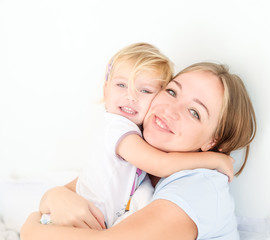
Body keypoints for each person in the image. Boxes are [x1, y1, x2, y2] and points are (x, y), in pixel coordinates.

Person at [21, 62, 256, 240]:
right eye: (172, 92)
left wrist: (30, 228)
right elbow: (71, 191)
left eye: (194, 112)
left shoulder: (199, 187)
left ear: (213, 143)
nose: (170, 109)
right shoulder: (137, 149)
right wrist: (54, 196)